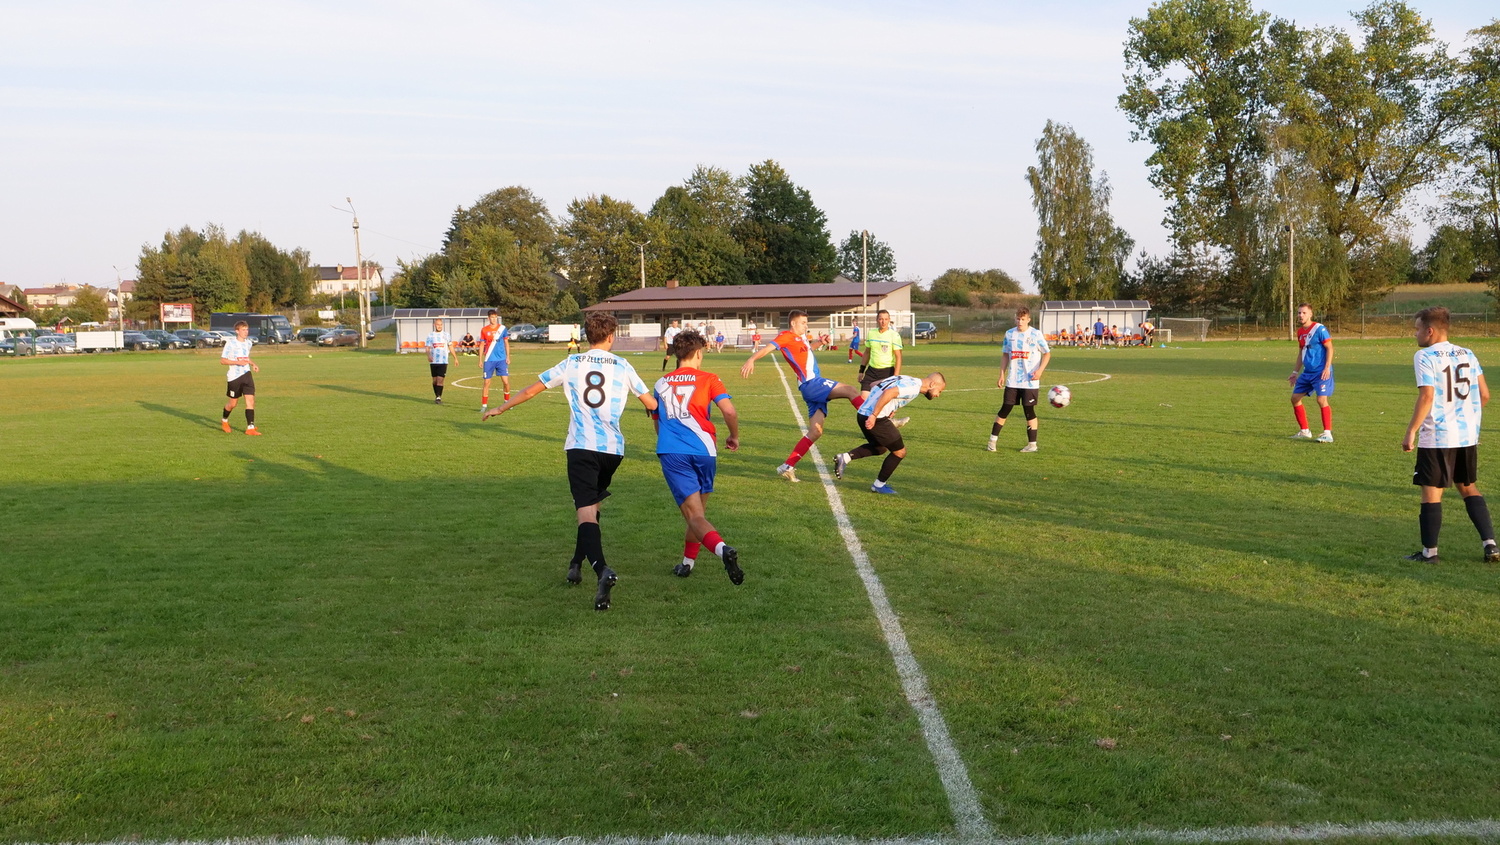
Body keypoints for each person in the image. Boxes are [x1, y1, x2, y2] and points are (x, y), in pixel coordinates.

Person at [482, 312, 658, 610]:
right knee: (592, 506)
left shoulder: (572, 362)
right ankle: (576, 563)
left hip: (581, 447)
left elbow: (532, 389)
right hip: (613, 450)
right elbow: (651, 403)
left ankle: (602, 570)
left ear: (587, 336)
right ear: (611, 336)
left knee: (585, 512)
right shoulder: (623, 365)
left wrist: (502, 407)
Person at [1401, 306, 1498, 564]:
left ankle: (1429, 553)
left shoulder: (1425, 356)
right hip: (1466, 435)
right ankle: (1490, 544)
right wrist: (1464, 416)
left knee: (1431, 492)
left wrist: (1411, 431)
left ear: (1430, 331)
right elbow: (1484, 395)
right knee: (1468, 487)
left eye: (1417, 329)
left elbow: (1427, 396)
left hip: (1438, 435)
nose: (1415, 334)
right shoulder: (1468, 353)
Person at [652, 329, 744, 584]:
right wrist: (734, 436)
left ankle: (723, 550)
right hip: (705, 451)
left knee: (694, 516)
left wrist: (668, 439)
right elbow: (729, 411)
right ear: (698, 353)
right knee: (698, 513)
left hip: (674, 453)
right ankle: (687, 563)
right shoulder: (710, 378)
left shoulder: (661, 383)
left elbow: (657, 422)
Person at [741, 310, 864, 483]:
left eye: (807, 323)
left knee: (816, 431)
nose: (806, 326)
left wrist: (820, 342)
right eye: (803, 323)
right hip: (812, 383)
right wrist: (751, 359)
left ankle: (788, 466)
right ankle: (876, 418)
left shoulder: (802, 338)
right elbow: (768, 348)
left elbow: (806, 351)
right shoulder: (786, 336)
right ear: (793, 323)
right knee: (851, 390)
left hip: (809, 387)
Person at [833, 372, 946, 494]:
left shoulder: (906, 378)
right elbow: (889, 392)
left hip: (862, 414)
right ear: (932, 384)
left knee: (880, 448)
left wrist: (890, 407)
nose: (938, 395)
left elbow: (874, 384)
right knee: (900, 452)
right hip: (875, 418)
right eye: (939, 391)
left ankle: (844, 457)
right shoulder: (914, 387)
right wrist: (874, 414)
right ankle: (879, 485)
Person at [989, 306, 1051, 453]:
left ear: (1028, 319)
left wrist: (1040, 371)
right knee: (1005, 408)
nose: (1020, 322)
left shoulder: (1035, 334)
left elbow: (1047, 353)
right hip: (1013, 380)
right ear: (1015, 319)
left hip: (1030, 381)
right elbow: (1005, 355)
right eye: (1018, 319)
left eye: (1023, 319)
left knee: (1029, 411)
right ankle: (992, 441)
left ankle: (1032, 445)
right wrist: (1001, 374)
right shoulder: (1009, 334)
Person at [1289, 303, 1335, 442]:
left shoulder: (1319, 329)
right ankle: (1305, 431)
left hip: (1321, 372)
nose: (1300, 315)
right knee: (1295, 398)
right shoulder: (1300, 332)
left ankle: (1327, 433)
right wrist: (1295, 372)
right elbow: (1301, 353)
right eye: (1299, 313)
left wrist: (1327, 367)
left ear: (1310, 314)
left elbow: (1330, 348)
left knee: (1321, 399)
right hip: (1307, 372)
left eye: (1304, 313)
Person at [220, 320, 262, 435]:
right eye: (243, 330)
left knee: (250, 400)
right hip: (234, 377)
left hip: (247, 374)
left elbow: (246, 358)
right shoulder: (230, 344)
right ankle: (224, 421)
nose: (246, 332)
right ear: (237, 331)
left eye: (247, 329)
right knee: (233, 404)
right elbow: (223, 361)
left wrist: (253, 364)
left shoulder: (248, 343)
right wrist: (237, 362)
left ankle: (250, 428)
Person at [859, 309, 904, 401]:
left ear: (889, 320)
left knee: (883, 401)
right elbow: (867, 352)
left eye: (886, 319)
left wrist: (895, 376)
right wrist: (861, 371)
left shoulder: (894, 335)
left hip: (887, 372)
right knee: (863, 398)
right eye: (881, 319)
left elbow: (898, 357)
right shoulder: (871, 333)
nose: (883, 322)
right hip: (871, 371)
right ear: (877, 320)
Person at [479, 310, 511, 413]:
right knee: (486, 382)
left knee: (505, 382)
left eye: (495, 317)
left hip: (501, 359)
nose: (494, 319)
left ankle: (507, 402)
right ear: (488, 318)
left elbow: (506, 343)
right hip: (489, 359)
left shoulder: (502, 328)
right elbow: (482, 345)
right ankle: (484, 405)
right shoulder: (484, 330)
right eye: (492, 317)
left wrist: (508, 357)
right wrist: (480, 359)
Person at [425, 317, 454, 404]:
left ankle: (438, 397)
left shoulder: (446, 335)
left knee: (440, 379)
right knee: (434, 380)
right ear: (434, 325)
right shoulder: (430, 335)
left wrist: (455, 358)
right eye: (438, 324)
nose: (439, 326)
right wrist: (429, 356)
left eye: (441, 324)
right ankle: (437, 395)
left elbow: (450, 346)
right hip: (434, 361)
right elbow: (427, 347)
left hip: (443, 361)